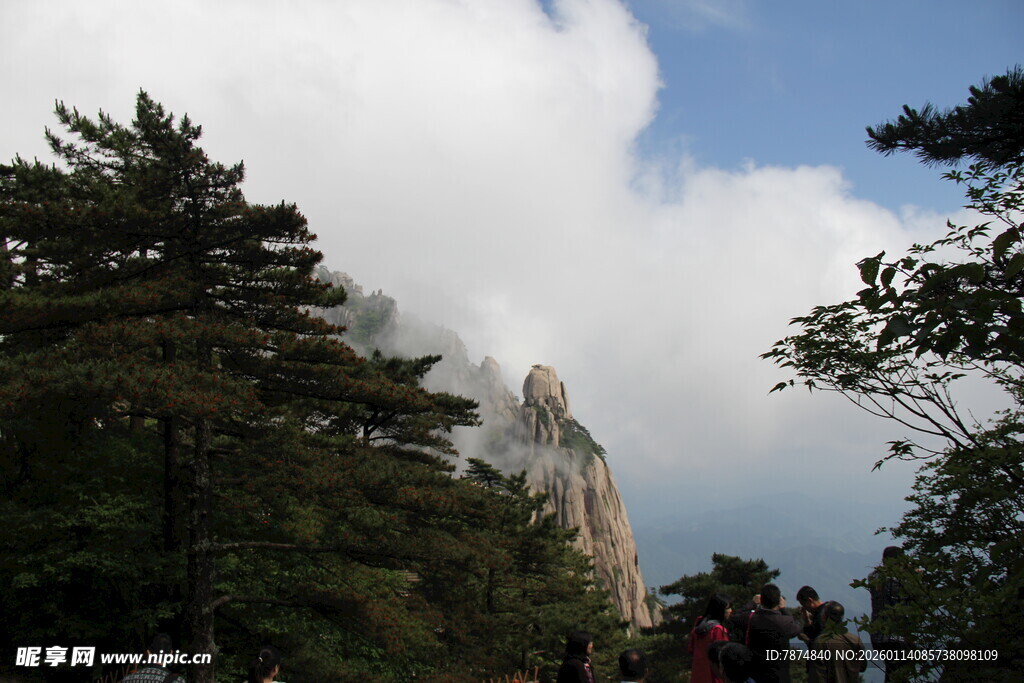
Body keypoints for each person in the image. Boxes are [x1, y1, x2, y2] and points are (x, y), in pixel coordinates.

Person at [736, 583, 802, 683]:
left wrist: (752, 603)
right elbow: (797, 626)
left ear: (762, 600)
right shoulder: (784, 622)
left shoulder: (751, 618)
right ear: (779, 601)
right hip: (779, 676)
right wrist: (784, 609)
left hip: (755, 674)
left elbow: (736, 617)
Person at [868, 546, 909, 682]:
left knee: (891, 670)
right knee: (898, 673)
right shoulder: (898, 581)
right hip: (895, 637)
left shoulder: (874, 577)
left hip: (878, 636)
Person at [808, 602, 867, 683]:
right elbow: (863, 667)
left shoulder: (821, 642)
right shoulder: (855, 640)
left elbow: (818, 675)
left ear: (824, 617)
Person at [689, 592, 733, 683]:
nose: (731, 611)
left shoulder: (699, 623)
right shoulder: (718, 630)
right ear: (720, 610)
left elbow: (691, 648)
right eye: (728, 608)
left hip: (698, 675)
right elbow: (723, 658)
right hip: (714, 678)